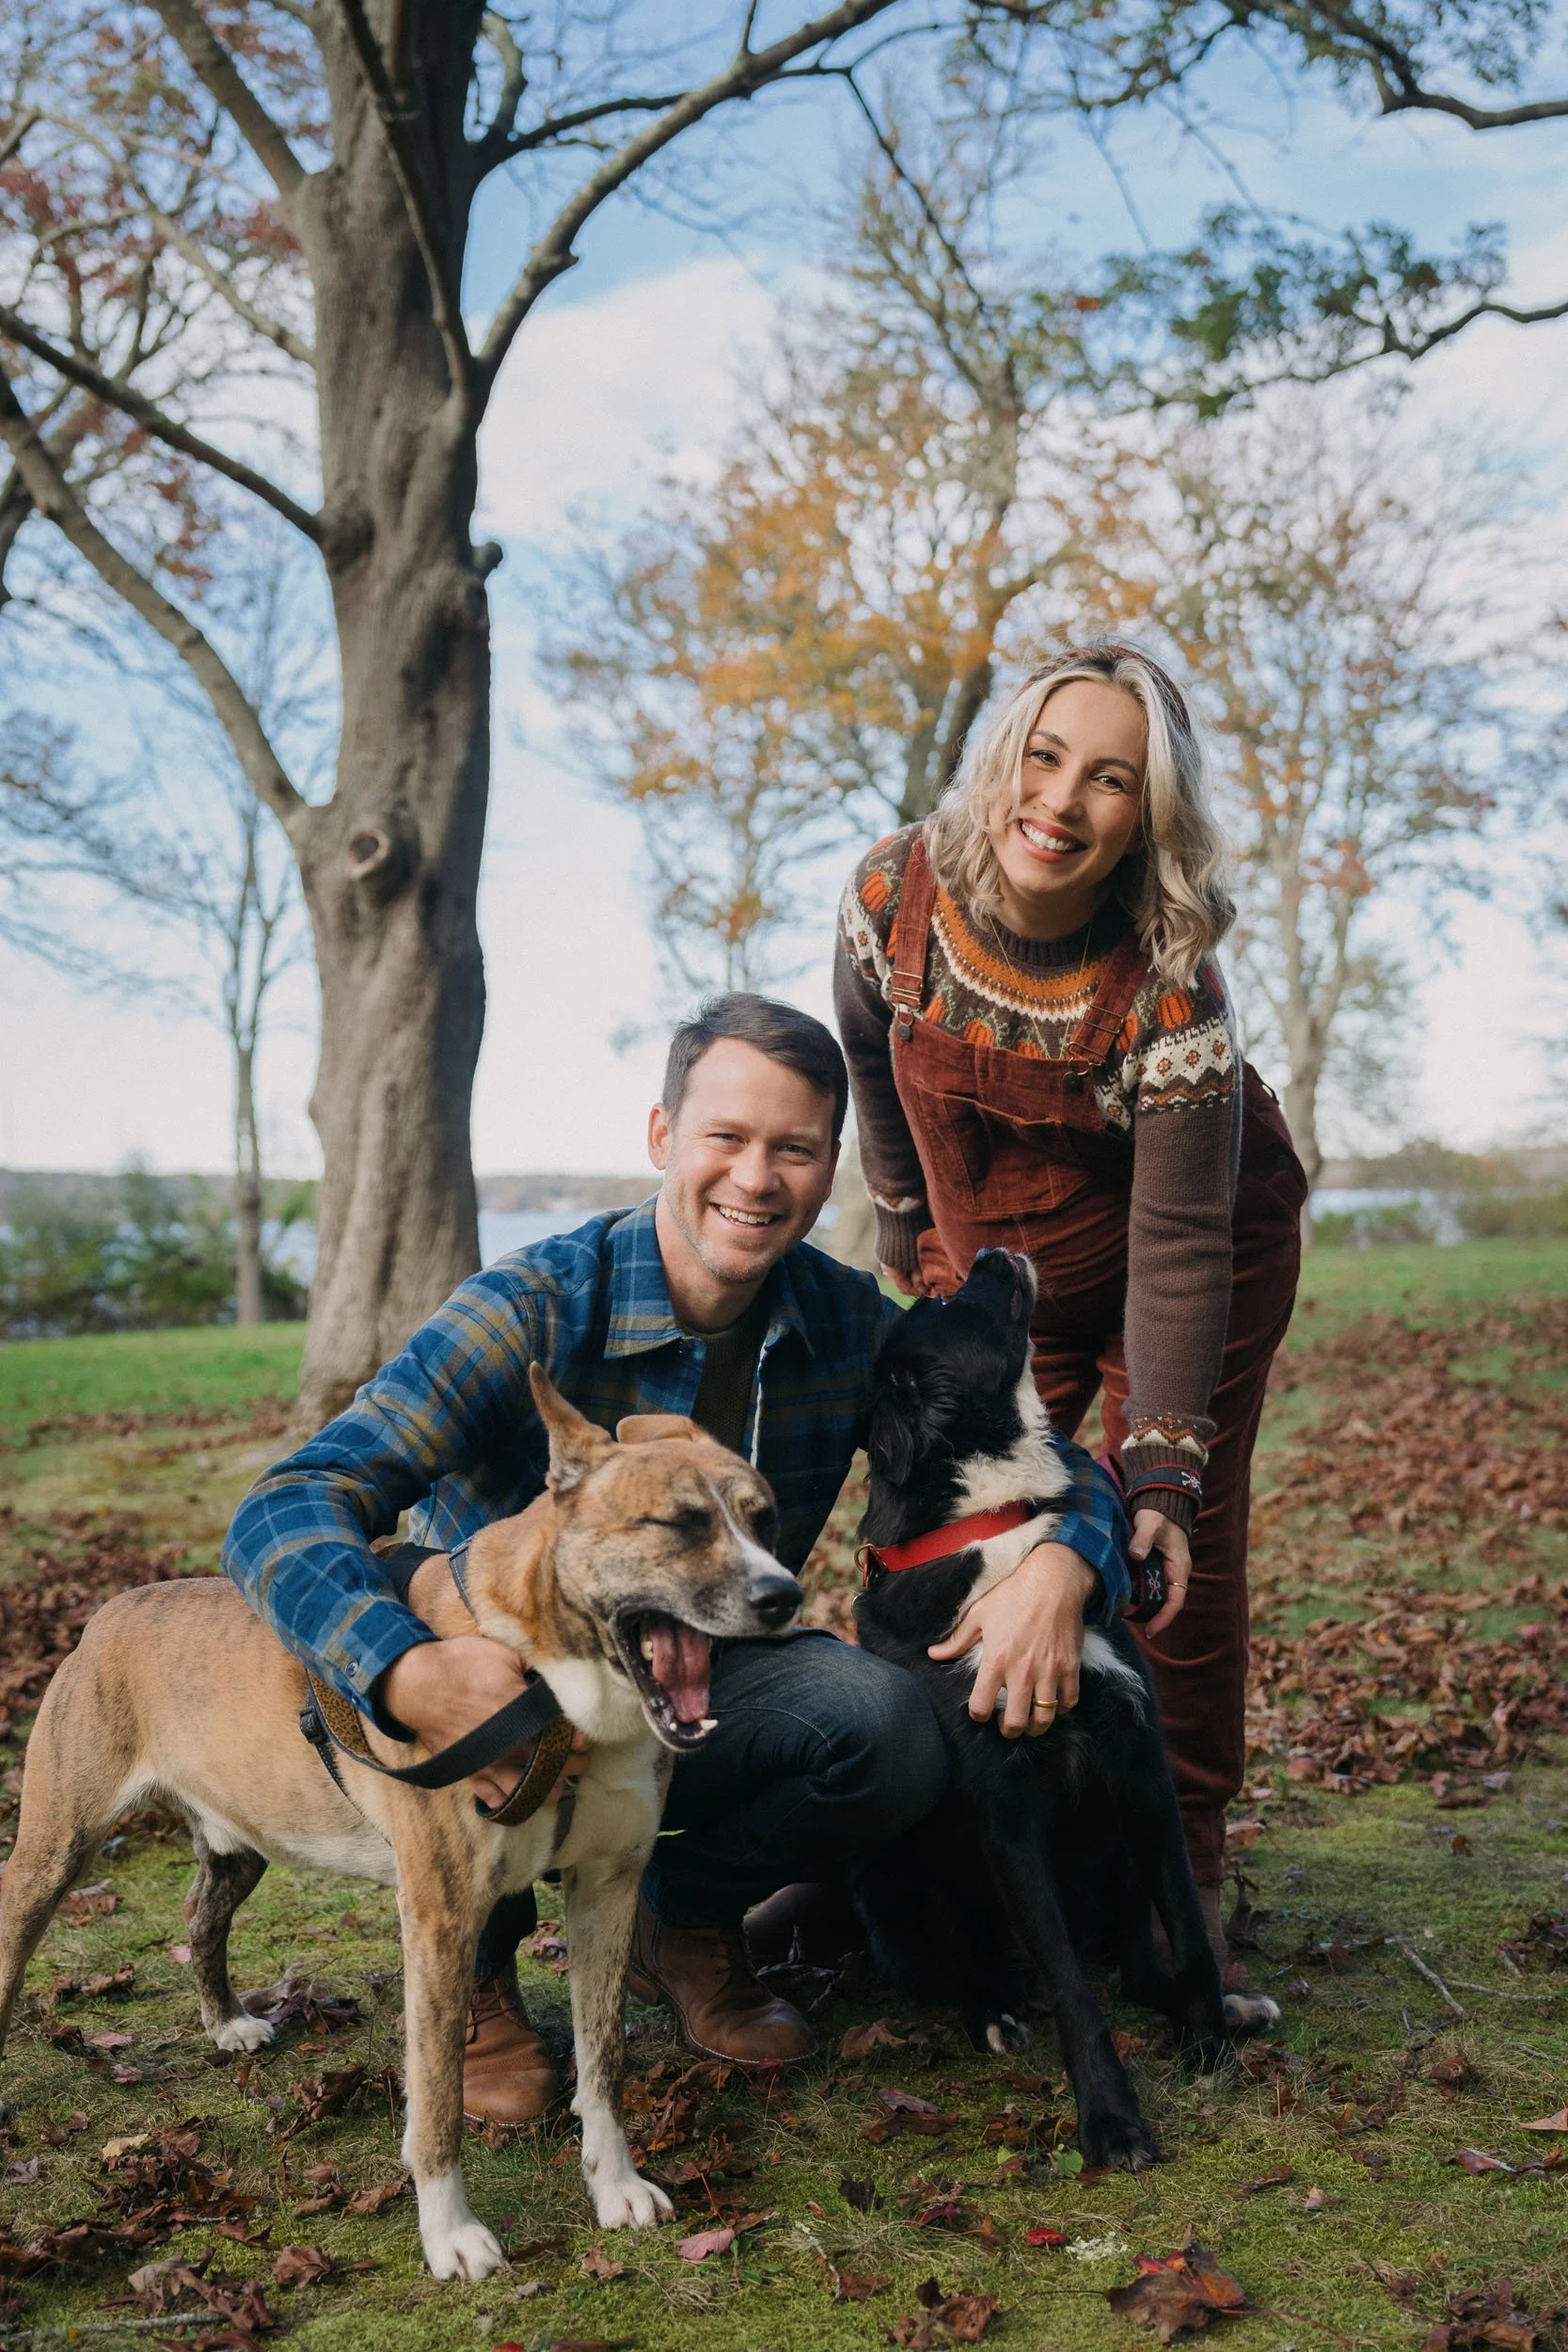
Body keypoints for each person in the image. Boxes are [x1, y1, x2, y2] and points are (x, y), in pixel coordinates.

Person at [223, 994, 1129, 2122]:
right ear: (663, 1138)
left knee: (889, 1727)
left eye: (792, 1149)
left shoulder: (846, 1321)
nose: (755, 1177)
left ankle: (684, 1919)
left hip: (705, 1664)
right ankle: (482, 1976)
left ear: (827, 1165)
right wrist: (399, 1665)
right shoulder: (533, 1307)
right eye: (726, 1139)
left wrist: (1064, 1563)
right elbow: (287, 1505)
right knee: (473, 1689)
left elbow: (1018, 1442)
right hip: (500, 1694)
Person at [834, 642, 1307, 1957]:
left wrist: (1155, 1471)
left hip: (1193, 1248)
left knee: (1165, 1564)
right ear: (1000, 761)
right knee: (949, 1521)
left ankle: (1180, 1889)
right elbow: (871, 1064)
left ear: (1145, 815)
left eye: (1109, 780)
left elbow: (1174, 1244)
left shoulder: (1167, 989)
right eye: (1042, 758)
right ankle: (904, 1833)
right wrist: (900, 1214)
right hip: (1005, 1260)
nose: (1060, 800)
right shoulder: (890, 896)